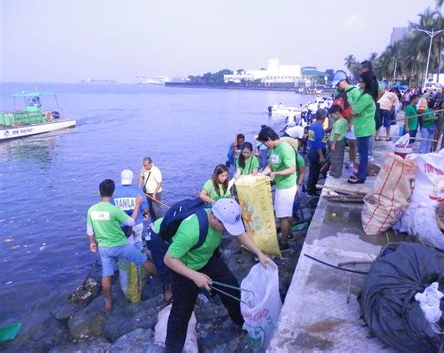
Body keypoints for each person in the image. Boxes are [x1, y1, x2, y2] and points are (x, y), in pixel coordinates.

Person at [163, 198, 274, 352]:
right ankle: (172, 349)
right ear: (214, 218)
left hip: (207, 259)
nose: (228, 230)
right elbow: (169, 259)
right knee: (181, 313)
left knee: (231, 287)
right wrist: (195, 276)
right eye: (226, 227)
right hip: (185, 268)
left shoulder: (223, 215)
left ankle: (241, 322)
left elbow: (240, 234)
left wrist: (259, 254)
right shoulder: (191, 231)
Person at [87, 179, 158, 311]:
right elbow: (131, 222)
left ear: (99, 192)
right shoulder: (114, 210)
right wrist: (137, 205)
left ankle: (108, 303)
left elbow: (90, 231)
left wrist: (92, 243)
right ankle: (164, 279)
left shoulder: (92, 210)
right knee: (143, 261)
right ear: (113, 192)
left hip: (104, 248)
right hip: (121, 246)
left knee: (106, 275)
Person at [257, 126, 297, 252]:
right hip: (280, 185)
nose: (265, 145)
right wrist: (261, 174)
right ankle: (288, 234)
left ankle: (284, 243)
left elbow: (292, 169)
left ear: (269, 139)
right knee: (286, 214)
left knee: (282, 216)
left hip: (286, 187)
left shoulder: (284, 148)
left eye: (264, 143)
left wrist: (277, 174)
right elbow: (270, 165)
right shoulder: (273, 149)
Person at [348, 71, 376, 184]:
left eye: (360, 81)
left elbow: (354, 111)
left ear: (365, 83)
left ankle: (361, 176)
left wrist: (350, 103)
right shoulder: (363, 94)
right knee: (362, 153)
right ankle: (361, 173)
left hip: (364, 129)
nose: (358, 83)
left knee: (363, 154)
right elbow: (356, 110)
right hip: (362, 127)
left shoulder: (366, 97)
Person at [111, 169, 148, 250]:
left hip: (123, 224)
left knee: (128, 244)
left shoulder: (114, 192)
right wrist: (144, 214)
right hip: (138, 222)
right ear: (132, 178)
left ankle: (131, 260)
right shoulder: (138, 191)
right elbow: (145, 209)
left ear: (121, 178)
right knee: (138, 241)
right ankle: (140, 259)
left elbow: (111, 209)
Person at [332, 70, 360, 172]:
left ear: (343, 81)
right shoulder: (338, 93)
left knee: (352, 143)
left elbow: (357, 109)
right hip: (341, 121)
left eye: (338, 84)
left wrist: (351, 123)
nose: (337, 87)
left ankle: (352, 162)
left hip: (352, 122)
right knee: (340, 143)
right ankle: (339, 163)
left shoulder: (354, 91)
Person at [306, 110, 327, 194]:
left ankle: (312, 187)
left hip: (312, 150)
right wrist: (321, 156)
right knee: (314, 171)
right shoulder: (318, 127)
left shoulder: (313, 125)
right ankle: (311, 190)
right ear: (324, 117)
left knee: (314, 170)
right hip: (316, 152)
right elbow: (317, 143)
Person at [138, 157, 163, 222]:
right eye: (144, 165)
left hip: (155, 193)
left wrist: (154, 194)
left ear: (150, 164)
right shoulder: (143, 169)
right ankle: (153, 222)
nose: (144, 166)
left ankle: (160, 223)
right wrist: (139, 188)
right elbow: (141, 177)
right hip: (147, 192)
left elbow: (159, 183)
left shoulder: (156, 171)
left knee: (156, 209)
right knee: (150, 209)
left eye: (146, 165)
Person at [328, 105, 348, 178]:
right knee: (340, 157)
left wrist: (333, 144)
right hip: (342, 140)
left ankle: (335, 173)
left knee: (335, 158)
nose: (331, 117)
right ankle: (338, 172)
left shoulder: (338, 123)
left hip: (336, 141)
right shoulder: (344, 120)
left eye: (332, 115)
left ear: (337, 113)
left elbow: (336, 134)